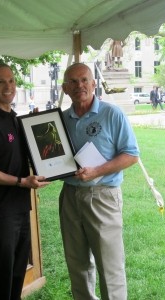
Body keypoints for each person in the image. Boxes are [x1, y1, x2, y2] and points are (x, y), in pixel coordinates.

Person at [0, 63, 50, 300]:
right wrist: (20, 181)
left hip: (20, 209)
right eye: (1, 82)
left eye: (12, 81)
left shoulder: (15, 119)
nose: (8, 86)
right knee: (0, 279)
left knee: (16, 276)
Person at [60, 63, 140, 300]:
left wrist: (97, 171)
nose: (79, 86)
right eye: (72, 82)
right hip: (70, 196)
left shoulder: (112, 114)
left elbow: (132, 154)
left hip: (103, 195)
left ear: (94, 83)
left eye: (84, 80)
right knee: (77, 265)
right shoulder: (60, 120)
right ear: (65, 88)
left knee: (110, 267)